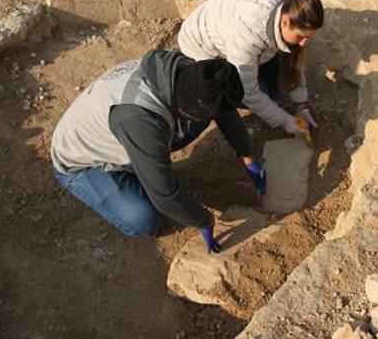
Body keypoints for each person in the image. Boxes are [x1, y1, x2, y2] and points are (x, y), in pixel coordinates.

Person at [50, 50, 267, 254]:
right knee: (143, 219)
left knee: (204, 116)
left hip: (126, 132)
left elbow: (223, 109)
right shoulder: (143, 121)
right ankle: (136, 175)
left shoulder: (186, 72)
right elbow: (164, 196)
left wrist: (247, 156)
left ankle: (147, 166)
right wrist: (204, 220)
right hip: (83, 163)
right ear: (185, 111)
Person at [177, 0, 324, 139]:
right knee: (263, 95)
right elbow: (248, 92)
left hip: (233, 35)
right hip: (201, 46)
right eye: (300, 36)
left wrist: (301, 105)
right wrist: (285, 121)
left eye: (308, 37)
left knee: (281, 93)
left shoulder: (289, 8)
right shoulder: (248, 34)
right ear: (285, 23)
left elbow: (293, 62)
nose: (303, 43)